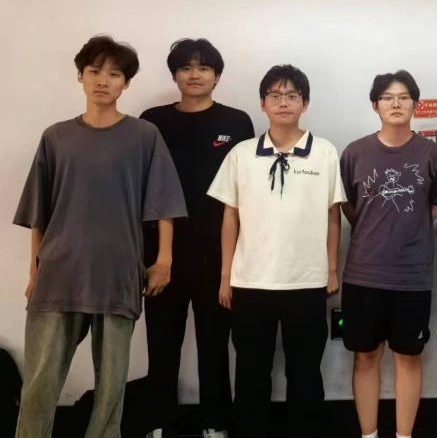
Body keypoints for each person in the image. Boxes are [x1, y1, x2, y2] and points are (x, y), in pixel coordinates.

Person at [13, 35, 186, 438]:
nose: (103, 81)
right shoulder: (56, 137)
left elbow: (164, 205)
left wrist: (164, 260)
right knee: (39, 382)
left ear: (126, 83)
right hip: (59, 273)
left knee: (111, 386)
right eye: (94, 71)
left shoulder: (144, 136)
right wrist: (35, 272)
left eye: (114, 74)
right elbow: (39, 213)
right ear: (81, 76)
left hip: (118, 271)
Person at [208, 64, 345, 437]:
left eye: (292, 95)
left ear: (305, 103)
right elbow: (230, 217)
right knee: (251, 372)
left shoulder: (324, 153)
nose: (283, 102)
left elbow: (333, 216)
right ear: (262, 104)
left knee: (305, 372)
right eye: (275, 95)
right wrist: (225, 276)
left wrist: (331, 269)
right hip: (251, 282)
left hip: (307, 282)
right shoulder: (241, 154)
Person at [141, 39, 255, 438]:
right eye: (186, 67)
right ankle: (158, 422)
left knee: (214, 344)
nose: (194, 75)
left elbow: (245, 190)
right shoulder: (152, 121)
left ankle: (215, 422)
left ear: (217, 76)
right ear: (174, 74)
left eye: (204, 67)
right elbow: (145, 187)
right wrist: (157, 256)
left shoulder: (237, 122)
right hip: (161, 253)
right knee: (162, 343)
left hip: (218, 254)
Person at [340, 70, 437, 438]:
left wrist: (410, 227)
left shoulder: (432, 154)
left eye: (404, 97)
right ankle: (368, 434)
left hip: (412, 276)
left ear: (415, 104)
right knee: (365, 356)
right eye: (387, 97)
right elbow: (347, 205)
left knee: (409, 357)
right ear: (375, 105)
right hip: (363, 274)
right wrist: (374, 228)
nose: (396, 103)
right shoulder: (355, 152)